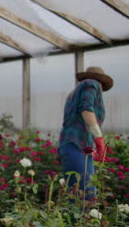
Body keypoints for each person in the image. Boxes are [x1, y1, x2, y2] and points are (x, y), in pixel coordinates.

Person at [58, 66, 113, 200]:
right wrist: (99, 139)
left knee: (77, 194)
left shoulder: (74, 93)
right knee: (84, 196)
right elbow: (87, 109)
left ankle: (75, 220)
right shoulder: (91, 84)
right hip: (76, 144)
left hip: (74, 146)